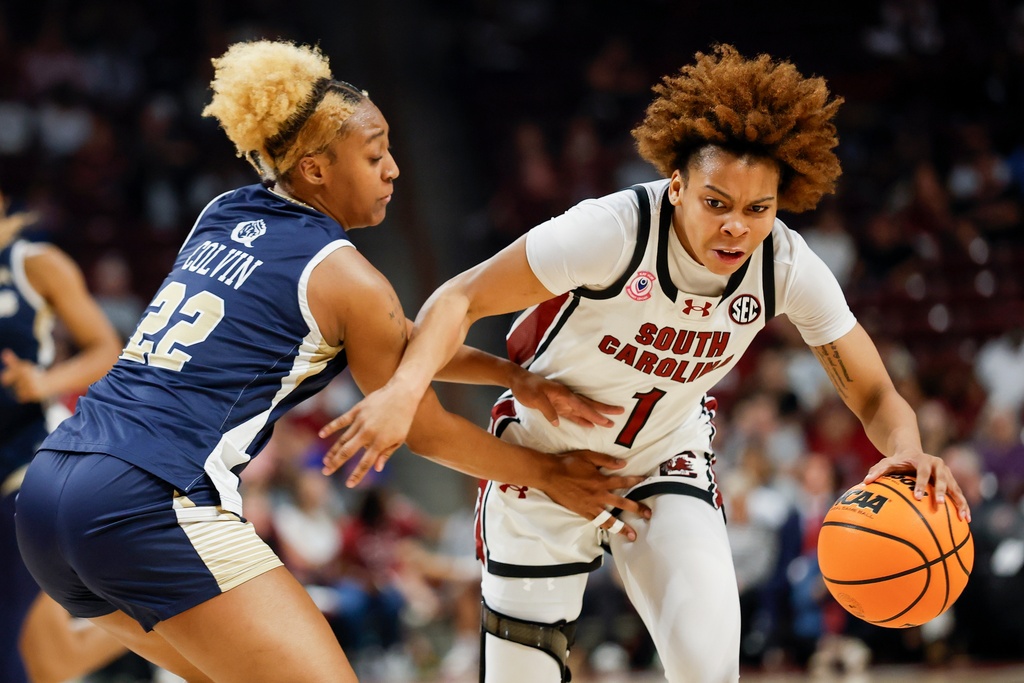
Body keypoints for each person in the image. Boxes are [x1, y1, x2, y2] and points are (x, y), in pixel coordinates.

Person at [321, 44, 973, 682]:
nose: (736, 229)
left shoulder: (785, 264)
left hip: (662, 460)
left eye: (757, 209)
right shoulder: (611, 232)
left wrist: (906, 447)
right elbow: (460, 296)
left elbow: (876, 395)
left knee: (707, 663)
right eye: (716, 202)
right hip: (541, 460)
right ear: (677, 186)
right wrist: (405, 389)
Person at [13, 39, 649, 683]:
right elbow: (421, 427)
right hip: (150, 494)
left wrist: (511, 375)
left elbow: (399, 340)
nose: (394, 169)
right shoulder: (350, 281)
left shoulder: (221, 212)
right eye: (374, 155)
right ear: (316, 169)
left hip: (50, 491)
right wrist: (546, 472)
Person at [0, 194, 124, 682]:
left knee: (5, 637)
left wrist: (44, 382)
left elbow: (106, 348)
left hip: (26, 461)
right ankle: (171, 619)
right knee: (52, 662)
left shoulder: (35, 265)